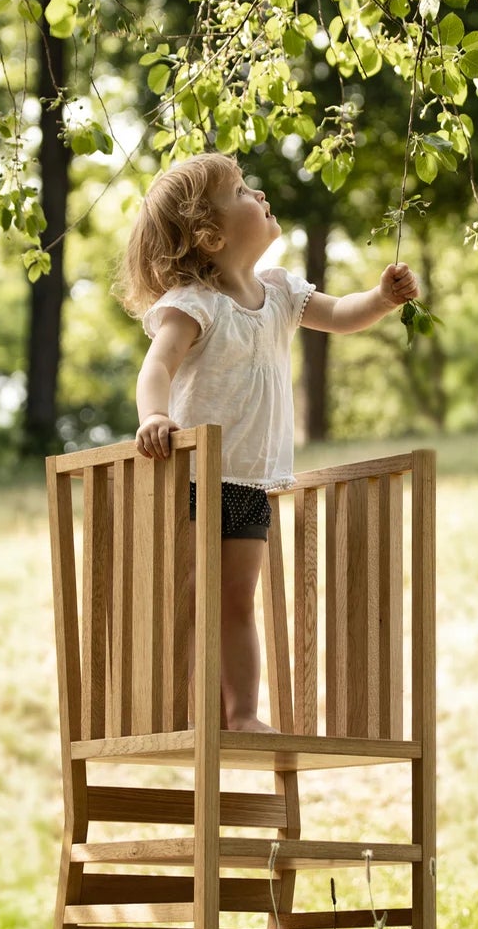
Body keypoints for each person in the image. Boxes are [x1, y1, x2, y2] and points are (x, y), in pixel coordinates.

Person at [119, 152, 420, 731]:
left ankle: (241, 714)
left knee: (238, 600)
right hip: (193, 480)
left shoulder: (280, 291)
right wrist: (154, 415)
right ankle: (191, 709)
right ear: (210, 235)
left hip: (250, 483)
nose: (258, 194)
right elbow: (156, 367)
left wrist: (382, 298)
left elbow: (341, 314)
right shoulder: (194, 303)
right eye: (240, 191)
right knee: (192, 595)